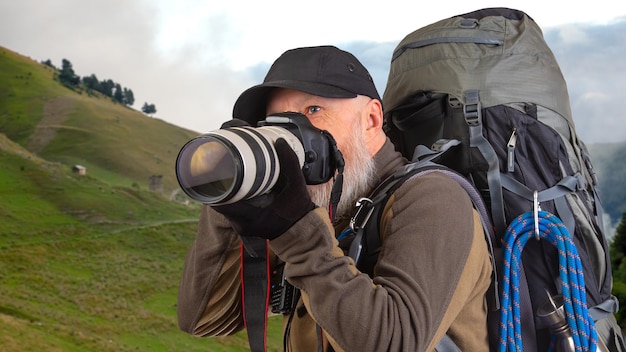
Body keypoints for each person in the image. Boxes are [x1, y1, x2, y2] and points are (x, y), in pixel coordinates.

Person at [177, 45, 493, 351]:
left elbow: (395, 343)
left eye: (313, 110)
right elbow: (203, 319)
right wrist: (232, 196)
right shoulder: (320, 205)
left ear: (371, 120)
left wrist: (298, 233)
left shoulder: (433, 198)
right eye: (275, 120)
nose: (292, 133)